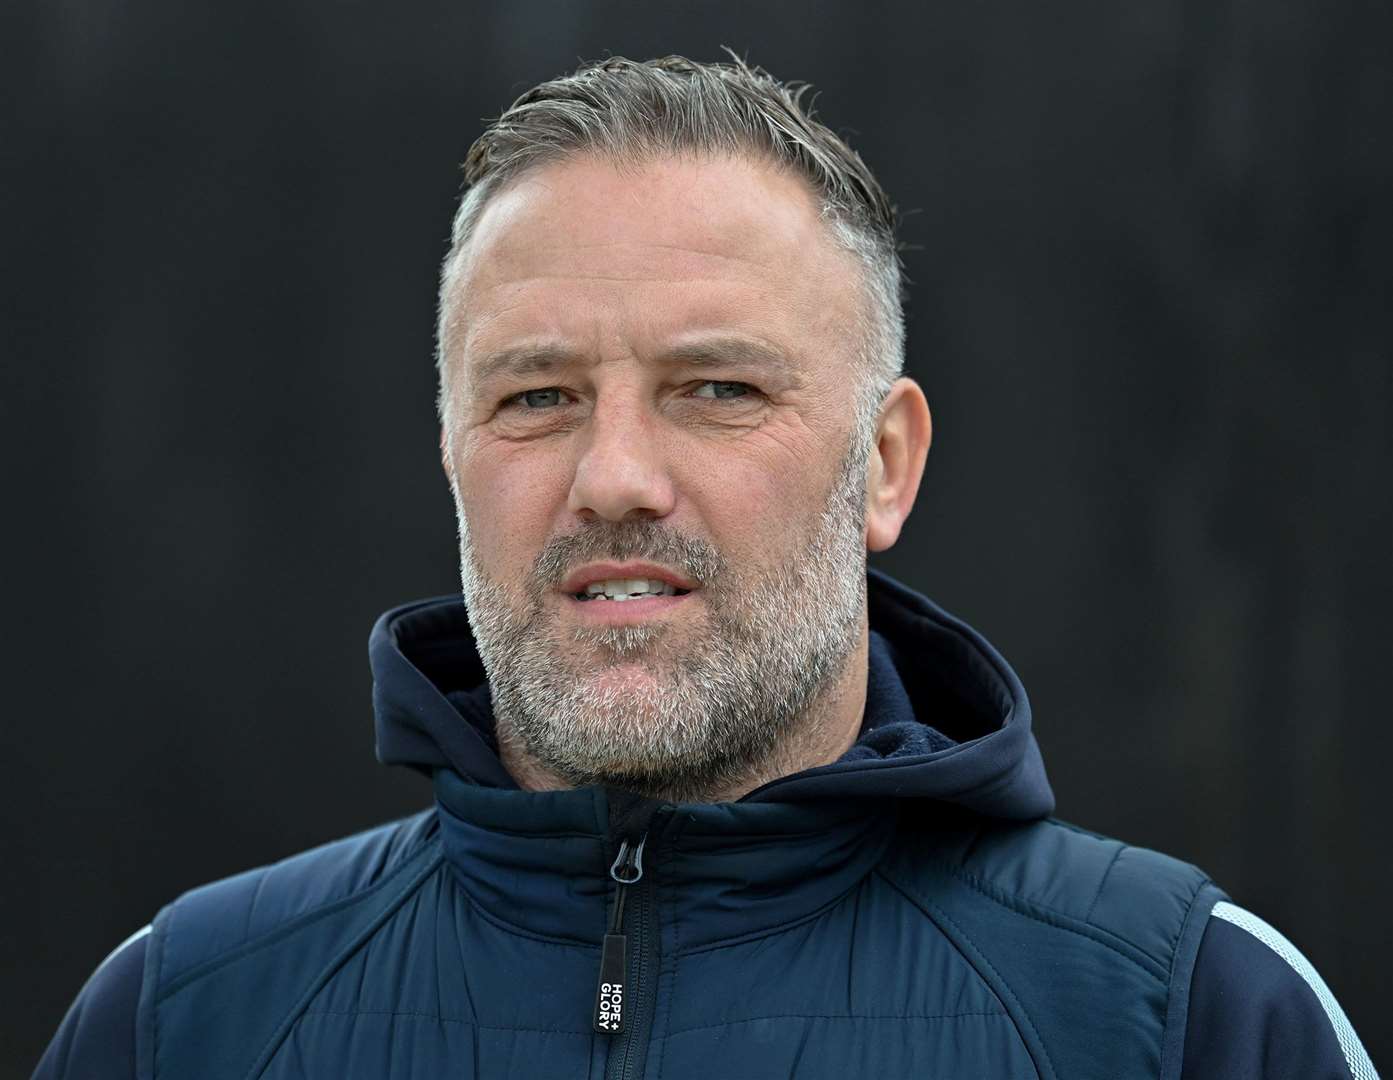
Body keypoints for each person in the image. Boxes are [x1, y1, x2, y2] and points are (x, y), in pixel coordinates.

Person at [36, 55, 1377, 1080]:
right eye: (536, 397)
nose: (614, 475)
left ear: (886, 464)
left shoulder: (1180, 1012)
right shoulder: (184, 1016)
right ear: (450, 448)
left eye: (717, 387)